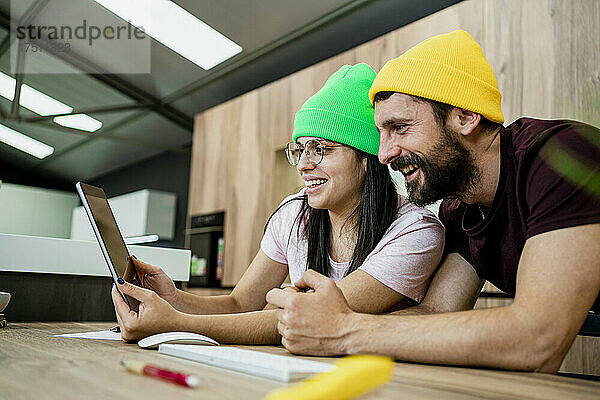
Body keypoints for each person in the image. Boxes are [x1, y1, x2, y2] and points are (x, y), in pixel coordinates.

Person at [267, 30, 600, 373]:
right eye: (382, 133)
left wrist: (345, 330)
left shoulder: (561, 157)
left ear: (466, 117)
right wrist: (337, 324)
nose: (384, 154)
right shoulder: (459, 208)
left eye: (400, 128)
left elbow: (538, 339)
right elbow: (437, 312)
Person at [111, 63, 445, 344]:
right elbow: (241, 303)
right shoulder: (294, 213)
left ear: (366, 159)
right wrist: (174, 299)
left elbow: (305, 319)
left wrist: (176, 324)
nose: (302, 164)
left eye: (320, 149)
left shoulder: (415, 231)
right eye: (300, 150)